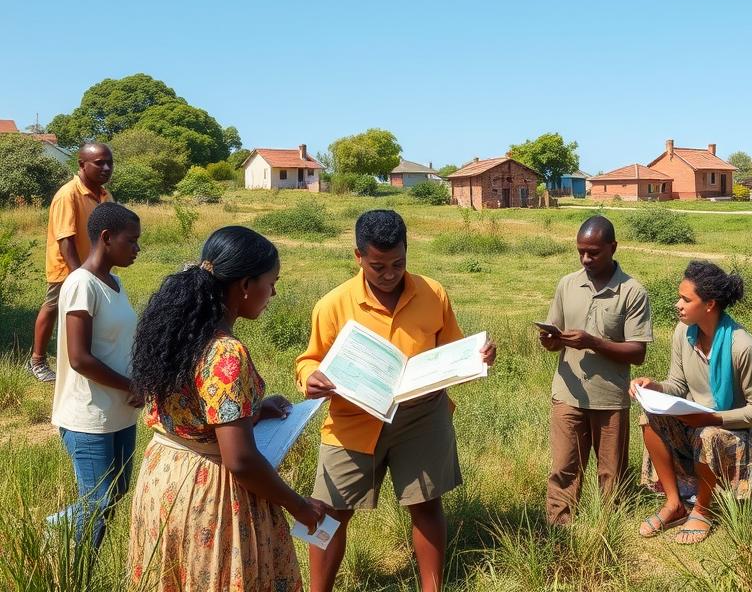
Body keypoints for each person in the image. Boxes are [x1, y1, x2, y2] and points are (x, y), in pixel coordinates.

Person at [296, 209, 496, 592]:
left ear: (408, 250)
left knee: (426, 504)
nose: (389, 274)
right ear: (358, 257)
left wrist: (477, 357)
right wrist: (310, 378)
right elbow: (309, 359)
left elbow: (453, 348)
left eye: (398, 264)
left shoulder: (433, 293)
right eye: (378, 266)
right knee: (330, 511)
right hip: (352, 421)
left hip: (422, 416)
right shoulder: (333, 304)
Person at [127, 226, 326, 592]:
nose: (274, 292)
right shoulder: (226, 353)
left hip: (163, 478)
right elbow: (241, 460)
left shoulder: (178, 334)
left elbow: (196, 411)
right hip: (209, 494)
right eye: (272, 282)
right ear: (246, 285)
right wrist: (298, 505)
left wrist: (253, 411)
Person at [632, 260, 752, 544]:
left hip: (746, 432)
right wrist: (654, 386)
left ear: (709, 304)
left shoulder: (743, 347)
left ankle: (702, 510)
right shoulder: (683, 333)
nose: (678, 305)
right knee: (649, 417)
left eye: (686, 299)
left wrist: (712, 419)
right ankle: (674, 504)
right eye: (679, 298)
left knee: (708, 435)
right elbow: (678, 385)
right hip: (697, 421)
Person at [538, 215, 652, 526]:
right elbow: (556, 336)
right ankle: (558, 531)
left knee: (610, 475)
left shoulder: (632, 292)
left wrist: (592, 342)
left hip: (609, 398)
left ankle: (608, 532)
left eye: (594, 252)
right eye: (581, 252)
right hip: (568, 393)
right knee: (564, 469)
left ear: (613, 247)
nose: (586, 259)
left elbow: (637, 352)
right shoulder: (567, 284)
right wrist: (550, 341)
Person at [51, 201, 142, 552]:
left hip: (120, 411)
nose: (137, 248)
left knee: (114, 494)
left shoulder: (115, 283)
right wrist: (131, 385)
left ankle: (52, 531)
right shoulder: (81, 284)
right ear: (106, 237)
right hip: (88, 416)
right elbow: (80, 358)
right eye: (131, 240)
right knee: (97, 503)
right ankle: (78, 576)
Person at [29, 143, 114, 382]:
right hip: (67, 267)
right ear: (81, 165)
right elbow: (65, 239)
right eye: (99, 163)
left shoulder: (105, 195)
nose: (106, 168)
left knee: (92, 311)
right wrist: (79, 276)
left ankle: (88, 357)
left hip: (93, 268)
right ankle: (37, 361)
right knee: (54, 307)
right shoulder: (68, 194)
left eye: (109, 162)